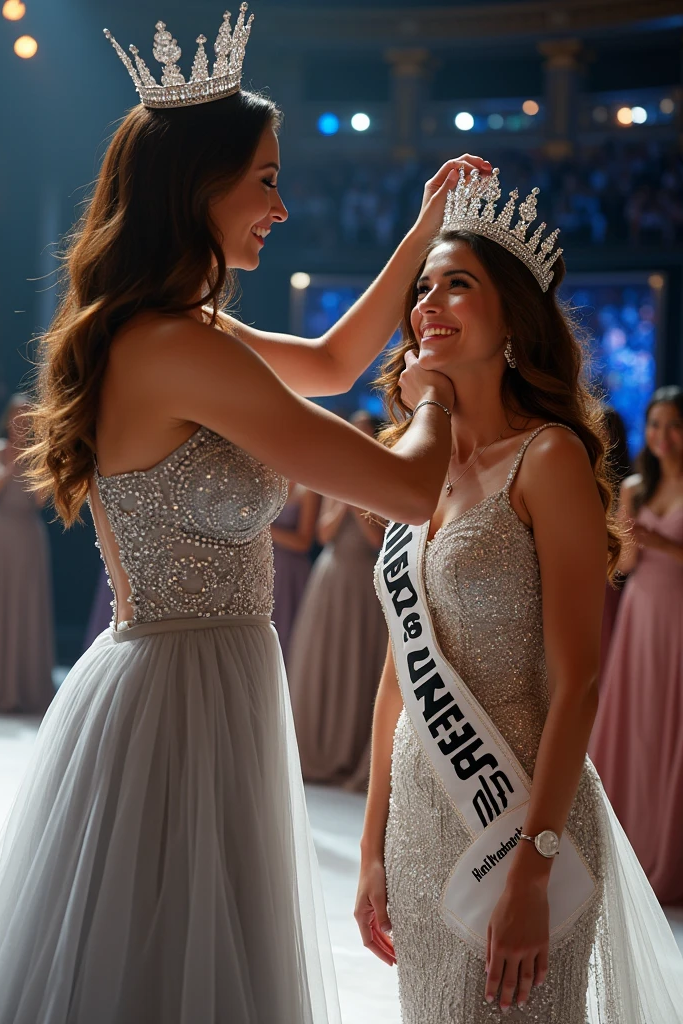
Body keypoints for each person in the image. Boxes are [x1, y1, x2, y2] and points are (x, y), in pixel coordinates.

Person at [0, 8, 489, 1022]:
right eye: (265, 177)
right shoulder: (177, 347)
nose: (283, 204)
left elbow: (333, 363)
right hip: (179, 690)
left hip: (211, 670)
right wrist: (440, 383)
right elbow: (402, 488)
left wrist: (423, 230)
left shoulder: (185, 329)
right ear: (198, 187)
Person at [354, 168, 683, 1022]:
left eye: (457, 284)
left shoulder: (549, 460)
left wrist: (535, 866)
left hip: (523, 818)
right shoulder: (411, 472)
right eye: (422, 288)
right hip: (423, 821)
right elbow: (398, 676)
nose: (429, 302)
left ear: (512, 320)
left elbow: (579, 682)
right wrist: (371, 849)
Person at [590, 385, 683, 905]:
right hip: (641, 612)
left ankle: (669, 852)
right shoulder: (634, 488)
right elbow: (623, 566)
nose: (662, 436)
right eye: (655, 425)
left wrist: (665, 544)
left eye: (673, 425)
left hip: (679, 615)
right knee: (639, 725)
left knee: (674, 729)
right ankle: (628, 844)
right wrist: (621, 538)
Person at [288, 410, 387, 790]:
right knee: (321, 662)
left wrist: (356, 495)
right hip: (330, 576)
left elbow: (376, 540)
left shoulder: (381, 482)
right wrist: (344, 495)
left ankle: (346, 754)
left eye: (363, 434)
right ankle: (315, 750)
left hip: (363, 580)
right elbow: (324, 533)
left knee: (355, 665)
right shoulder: (335, 478)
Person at [0, 394, 54, 713]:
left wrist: (37, 461)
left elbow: (41, 501)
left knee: (26, 605)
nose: (20, 424)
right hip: (1, 535)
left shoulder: (38, 457)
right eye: (16, 417)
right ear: (8, 420)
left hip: (28, 536)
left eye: (26, 419)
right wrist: (8, 466)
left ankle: (25, 687)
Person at [271, 481, 321, 659]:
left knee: (288, 632)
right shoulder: (271, 481)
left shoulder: (307, 489)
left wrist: (267, 531)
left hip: (292, 572)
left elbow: (305, 542)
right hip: (269, 567)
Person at [599, 406, 631, 682]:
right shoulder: (573, 478)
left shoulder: (628, 489)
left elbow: (625, 561)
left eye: (604, 431)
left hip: (612, 584)